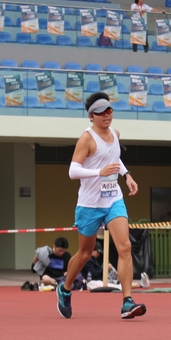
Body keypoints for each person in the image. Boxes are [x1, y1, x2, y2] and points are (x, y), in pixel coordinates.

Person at [57, 91, 146, 320]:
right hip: (89, 204)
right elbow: (72, 171)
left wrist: (127, 175)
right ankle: (65, 289)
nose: (106, 115)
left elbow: (114, 159)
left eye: (109, 110)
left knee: (124, 246)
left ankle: (127, 301)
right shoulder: (86, 139)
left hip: (113, 199)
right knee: (85, 253)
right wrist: (99, 172)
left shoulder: (115, 134)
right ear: (91, 116)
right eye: (100, 112)